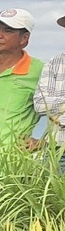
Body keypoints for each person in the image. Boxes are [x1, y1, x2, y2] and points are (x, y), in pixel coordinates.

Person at [0, 8, 44, 147]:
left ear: (24, 39)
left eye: (8, 31)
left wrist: (44, 142)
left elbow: (58, 110)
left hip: (15, 163)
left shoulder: (40, 70)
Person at [36, 10, 65, 152]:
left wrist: (59, 117)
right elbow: (40, 105)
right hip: (56, 148)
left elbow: (48, 106)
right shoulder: (54, 63)